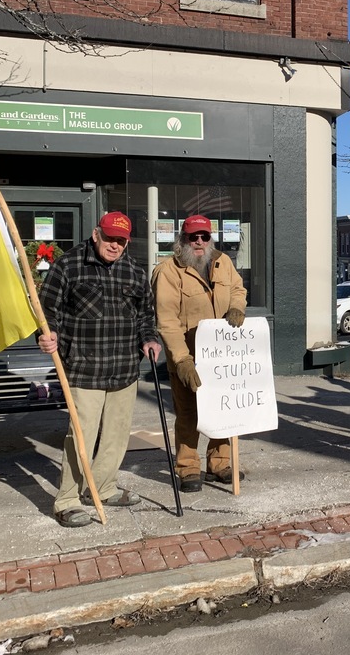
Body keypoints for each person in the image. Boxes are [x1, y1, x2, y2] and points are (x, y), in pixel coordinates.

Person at [38, 211, 161, 529]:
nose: (115, 245)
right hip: (83, 368)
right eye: (109, 238)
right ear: (96, 234)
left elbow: (145, 314)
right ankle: (67, 500)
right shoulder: (69, 264)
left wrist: (149, 338)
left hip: (124, 369)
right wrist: (47, 333)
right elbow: (46, 307)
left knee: (117, 436)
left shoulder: (134, 270)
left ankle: (103, 489)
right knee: (81, 437)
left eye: (121, 240)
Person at [152, 214, 247, 493]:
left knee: (223, 411)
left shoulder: (223, 262)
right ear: (182, 239)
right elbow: (166, 320)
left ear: (211, 238)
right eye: (193, 236)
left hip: (221, 358)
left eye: (204, 236)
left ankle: (220, 463)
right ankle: (188, 467)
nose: (199, 241)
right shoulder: (168, 271)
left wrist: (237, 307)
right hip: (188, 358)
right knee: (188, 415)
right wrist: (182, 360)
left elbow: (238, 289)